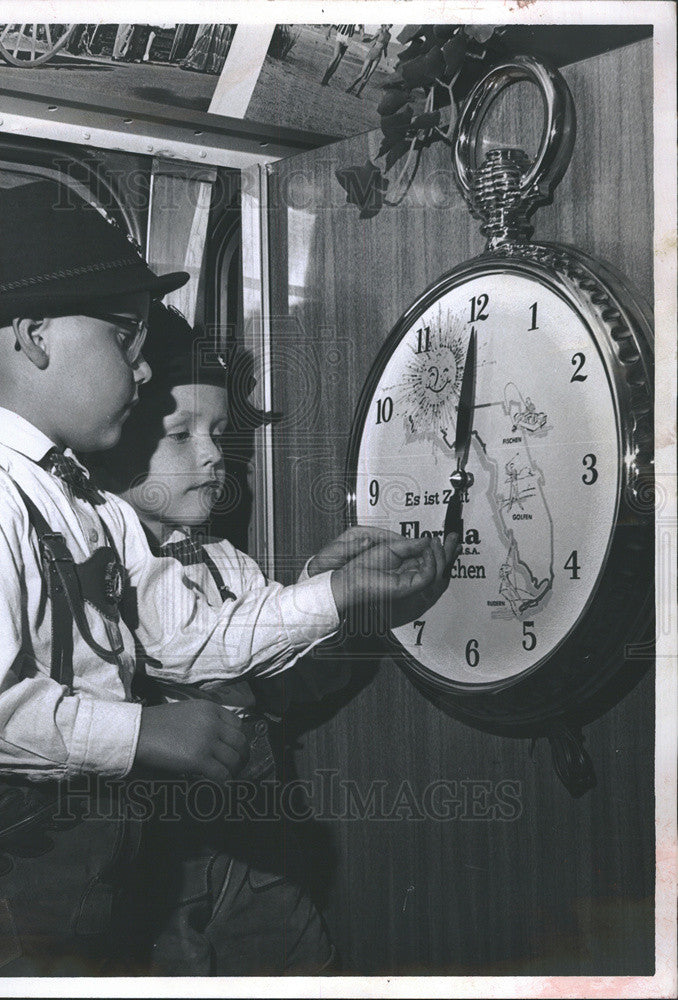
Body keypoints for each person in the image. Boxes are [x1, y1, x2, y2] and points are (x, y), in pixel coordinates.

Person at [0, 179, 455, 976]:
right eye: (124, 334)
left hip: (82, 891)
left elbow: (191, 640)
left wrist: (335, 596)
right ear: (35, 336)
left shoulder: (88, 504)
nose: (145, 359)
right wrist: (143, 733)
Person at [89, 302, 459, 974]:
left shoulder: (222, 561)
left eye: (219, 433)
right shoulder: (107, 554)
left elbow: (270, 659)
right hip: (162, 869)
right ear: (114, 445)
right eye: (180, 435)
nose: (212, 455)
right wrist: (332, 596)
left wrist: (330, 583)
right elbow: (195, 646)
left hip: (258, 850)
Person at [345, 24, 392, 97]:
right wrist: (363, 40)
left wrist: (387, 59)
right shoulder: (380, 31)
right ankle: (350, 87)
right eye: (389, 24)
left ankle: (358, 93)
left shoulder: (389, 35)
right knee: (362, 74)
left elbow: (385, 47)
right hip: (372, 53)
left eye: (391, 25)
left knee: (368, 76)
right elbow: (371, 39)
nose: (390, 26)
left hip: (378, 56)